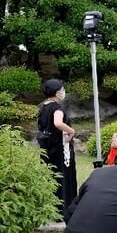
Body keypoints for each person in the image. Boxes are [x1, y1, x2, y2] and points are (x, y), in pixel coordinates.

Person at [37, 79, 77, 222]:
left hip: (47, 147)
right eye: (62, 89)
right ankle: (64, 210)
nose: (63, 92)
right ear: (57, 92)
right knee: (63, 177)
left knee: (51, 177)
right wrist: (71, 131)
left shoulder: (43, 106)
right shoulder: (57, 108)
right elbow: (58, 123)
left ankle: (51, 209)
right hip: (60, 148)